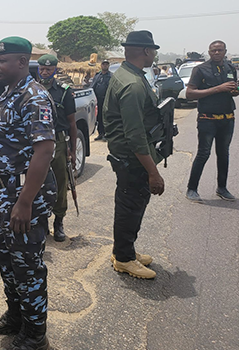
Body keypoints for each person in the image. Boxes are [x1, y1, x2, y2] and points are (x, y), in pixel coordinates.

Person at [0, 36, 57, 350]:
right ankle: (15, 317)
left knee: (27, 266)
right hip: (4, 190)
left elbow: (44, 152)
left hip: (25, 192)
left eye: (2, 61)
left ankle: (35, 333)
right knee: (6, 259)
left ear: (23, 62)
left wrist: (25, 201)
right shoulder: (7, 93)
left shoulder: (35, 97)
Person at [103, 30, 165, 280]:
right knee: (131, 206)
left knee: (129, 205)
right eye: (154, 51)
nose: (154, 55)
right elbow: (135, 135)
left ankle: (124, 250)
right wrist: (153, 172)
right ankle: (124, 259)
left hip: (128, 156)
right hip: (132, 158)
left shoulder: (129, 75)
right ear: (146, 51)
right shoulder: (133, 84)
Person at [185, 40, 238, 202]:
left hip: (227, 119)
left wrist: (234, 90)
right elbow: (190, 94)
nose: (216, 53)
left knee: (223, 154)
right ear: (209, 52)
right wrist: (218, 89)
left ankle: (222, 188)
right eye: (213, 50)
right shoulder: (200, 69)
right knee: (203, 153)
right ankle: (192, 189)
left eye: (220, 50)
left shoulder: (230, 68)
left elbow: (232, 92)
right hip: (207, 119)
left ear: (225, 51)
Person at [36, 54, 78, 242]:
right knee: (37, 183)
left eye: (49, 69)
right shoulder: (31, 89)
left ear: (55, 69)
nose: (45, 72)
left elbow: (72, 123)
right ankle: (42, 222)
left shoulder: (64, 91)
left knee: (61, 183)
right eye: (42, 69)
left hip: (58, 142)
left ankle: (59, 222)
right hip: (36, 144)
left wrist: (73, 149)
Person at [91, 59, 112, 140]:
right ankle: (100, 133)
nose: (105, 66)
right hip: (97, 100)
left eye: (106, 64)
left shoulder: (111, 76)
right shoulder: (97, 76)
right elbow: (93, 86)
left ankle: (106, 134)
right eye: (104, 64)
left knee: (106, 118)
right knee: (98, 117)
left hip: (106, 100)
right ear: (101, 65)